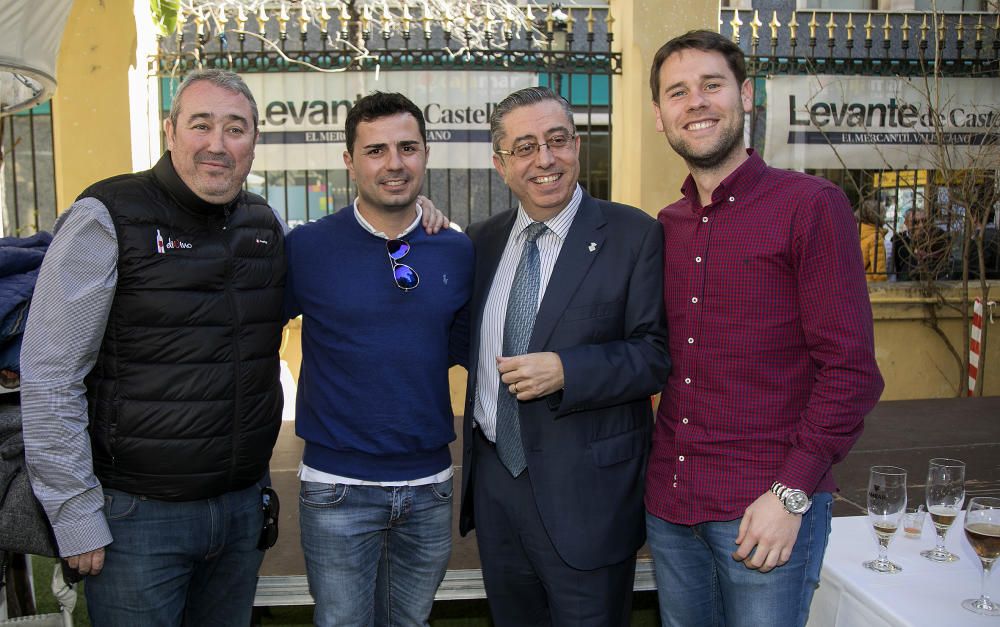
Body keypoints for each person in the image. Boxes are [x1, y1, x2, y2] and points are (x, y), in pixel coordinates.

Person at [19, 70, 285, 626]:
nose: (217, 143)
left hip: (239, 512)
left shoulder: (264, 225)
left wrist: (416, 225)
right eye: (201, 124)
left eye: (236, 128)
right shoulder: (107, 215)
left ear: (255, 141)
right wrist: (75, 513)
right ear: (170, 131)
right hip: (136, 519)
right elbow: (50, 375)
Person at [645, 31, 885, 627]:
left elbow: (851, 372)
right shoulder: (666, 225)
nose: (695, 102)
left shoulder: (810, 206)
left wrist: (792, 493)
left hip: (766, 510)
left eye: (711, 85)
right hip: (672, 507)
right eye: (677, 92)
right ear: (659, 116)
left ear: (746, 95)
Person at [459, 86, 670, 627]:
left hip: (588, 495)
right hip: (497, 487)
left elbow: (655, 353)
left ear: (578, 145)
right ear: (500, 163)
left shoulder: (634, 234)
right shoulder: (479, 243)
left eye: (557, 140)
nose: (545, 159)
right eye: (525, 147)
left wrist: (568, 370)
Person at [284, 92, 472, 627]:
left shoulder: (455, 251)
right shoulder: (308, 248)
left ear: (426, 154)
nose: (394, 163)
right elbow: (249, 334)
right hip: (337, 486)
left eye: (408, 147)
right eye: (376, 150)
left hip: (430, 486)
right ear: (349, 160)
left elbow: (463, 347)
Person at [856, 198, 889, 281]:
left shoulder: (855, 233)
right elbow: (879, 272)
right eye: (883, 214)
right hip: (870, 286)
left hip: (855, 283)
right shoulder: (876, 237)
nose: (885, 216)